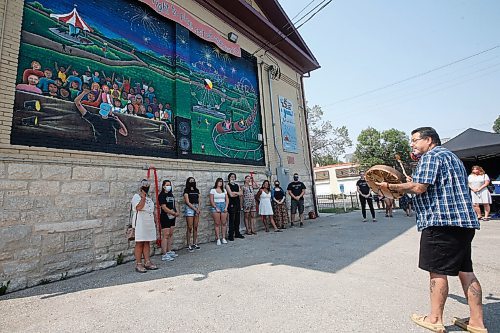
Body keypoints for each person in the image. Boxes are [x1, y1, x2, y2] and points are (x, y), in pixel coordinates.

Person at [376, 127, 486, 333]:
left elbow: (419, 188)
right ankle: (476, 322)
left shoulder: (430, 156)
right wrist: (411, 182)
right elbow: (432, 184)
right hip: (463, 224)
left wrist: (392, 187)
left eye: (415, 140)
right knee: (466, 272)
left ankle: (434, 319)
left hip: (441, 223)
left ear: (428, 140)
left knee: (437, 272)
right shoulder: (452, 157)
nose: (413, 145)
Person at [130, 179, 158, 273]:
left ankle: (147, 262)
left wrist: (155, 221)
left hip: (148, 223)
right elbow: (138, 207)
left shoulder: (149, 198)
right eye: (144, 185)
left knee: (147, 242)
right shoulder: (136, 197)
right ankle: (138, 264)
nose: (146, 187)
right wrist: (143, 197)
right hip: (140, 223)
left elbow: (152, 210)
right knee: (139, 242)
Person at [158, 180, 179, 261]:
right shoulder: (162, 195)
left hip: (172, 217)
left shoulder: (171, 195)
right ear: (163, 186)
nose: (168, 186)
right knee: (165, 235)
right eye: (167, 185)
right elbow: (164, 207)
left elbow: (174, 204)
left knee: (170, 234)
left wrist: (176, 212)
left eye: (169, 185)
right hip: (165, 217)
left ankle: (169, 251)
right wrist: (172, 213)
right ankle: (164, 254)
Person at [183, 177, 201, 252]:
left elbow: (199, 199)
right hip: (190, 208)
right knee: (189, 227)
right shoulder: (186, 190)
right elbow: (187, 201)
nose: (192, 182)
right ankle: (188, 244)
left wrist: (198, 208)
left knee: (195, 227)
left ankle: (195, 243)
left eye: (193, 181)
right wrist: (195, 209)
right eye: (190, 181)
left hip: (196, 207)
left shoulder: (197, 190)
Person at [226, 173, 244, 241]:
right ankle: (231, 235)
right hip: (231, 204)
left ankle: (237, 233)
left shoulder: (237, 185)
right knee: (232, 220)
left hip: (237, 203)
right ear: (229, 178)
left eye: (234, 177)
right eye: (231, 177)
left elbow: (241, 193)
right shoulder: (227, 185)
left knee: (237, 219)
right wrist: (237, 193)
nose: (233, 178)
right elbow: (230, 195)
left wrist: (235, 193)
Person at [210, 178, 229, 245]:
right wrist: (215, 207)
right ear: (216, 182)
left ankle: (223, 238)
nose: (220, 183)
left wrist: (226, 207)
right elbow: (211, 200)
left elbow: (227, 199)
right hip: (216, 205)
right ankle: (218, 238)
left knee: (224, 223)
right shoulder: (213, 190)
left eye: (221, 182)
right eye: (219, 182)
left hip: (223, 205)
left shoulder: (224, 190)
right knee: (217, 223)